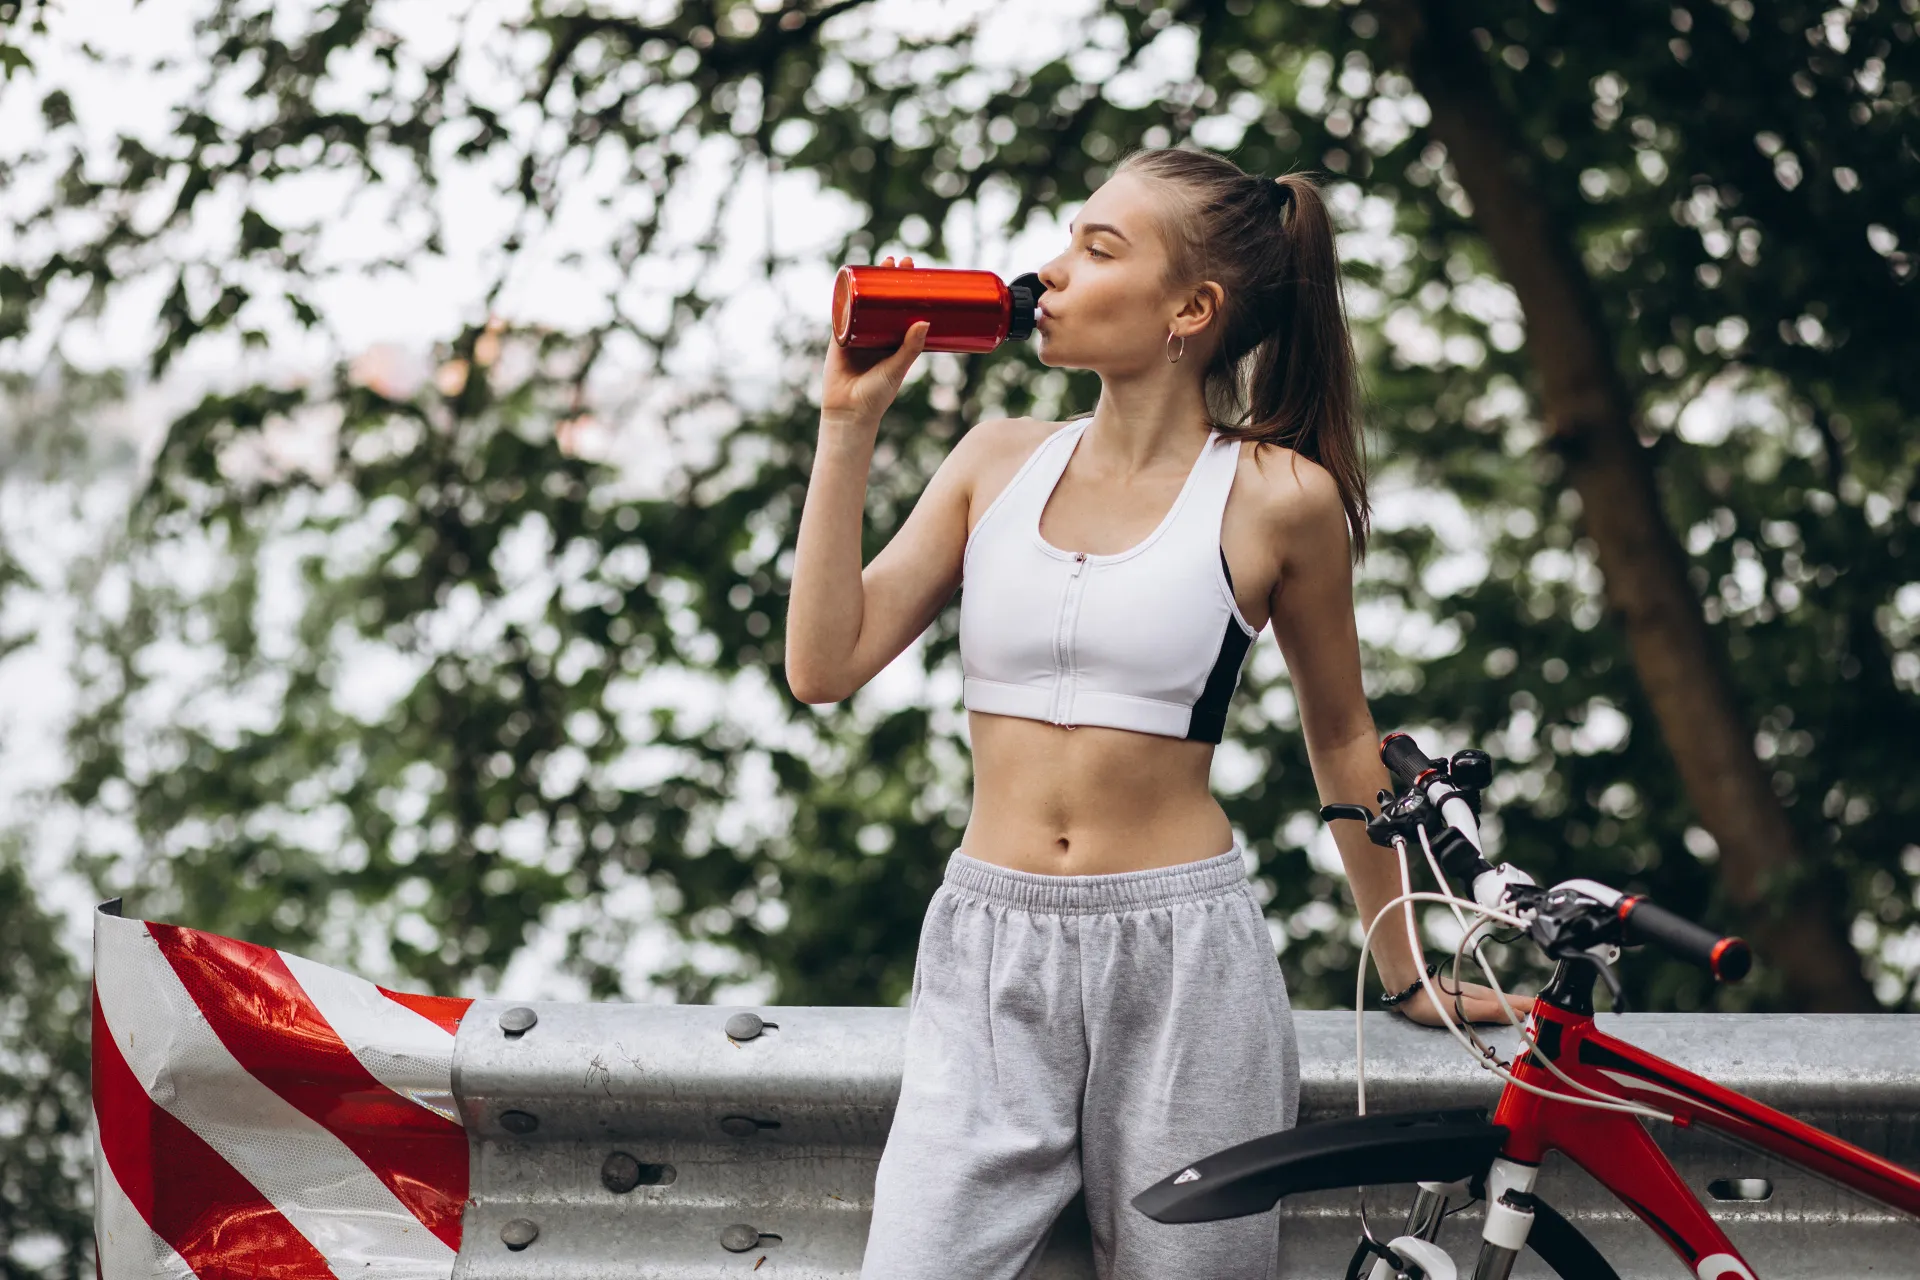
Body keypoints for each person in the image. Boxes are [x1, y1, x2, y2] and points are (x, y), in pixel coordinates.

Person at [785, 146, 1526, 1280]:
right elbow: (825, 663)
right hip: (991, 945)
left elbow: (1340, 735)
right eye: (1067, 239)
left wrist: (1407, 961)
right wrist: (847, 423)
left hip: (1188, 959)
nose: (1052, 271)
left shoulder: (1281, 497)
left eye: (1097, 247)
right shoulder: (997, 460)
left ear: (1193, 308)